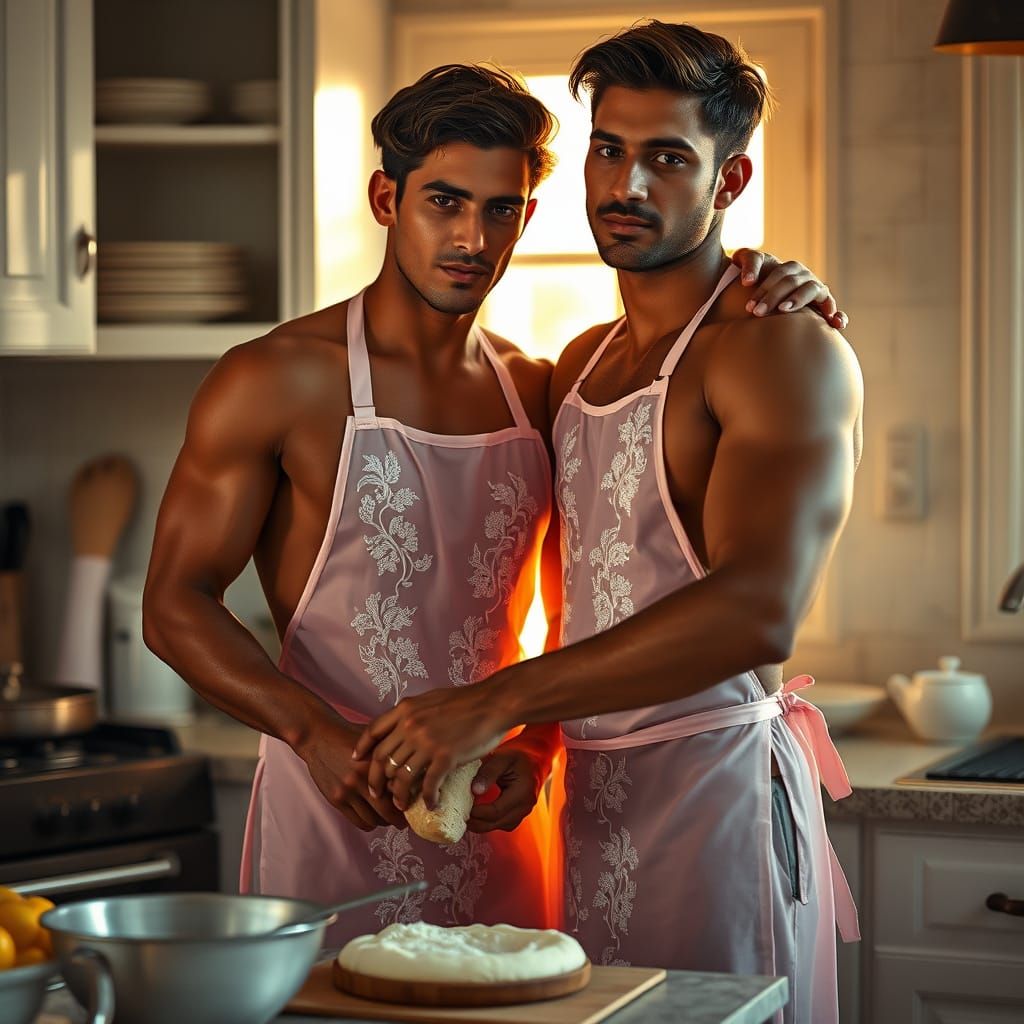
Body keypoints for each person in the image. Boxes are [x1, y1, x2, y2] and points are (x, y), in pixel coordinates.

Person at [144, 62, 842, 947]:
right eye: (444, 202)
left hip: (494, 819)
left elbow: (574, 607)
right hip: (335, 806)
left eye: (500, 209)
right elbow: (172, 604)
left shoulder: (541, 389)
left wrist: (538, 743)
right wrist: (309, 731)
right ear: (386, 199)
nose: (473, 237)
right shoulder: (273, 378)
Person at [353, 24, 863, 1024]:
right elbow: (580, 590)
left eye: (666, 157)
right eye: (608, 148)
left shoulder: (777, 350)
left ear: (729, 179)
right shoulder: (577, 366)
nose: (625, 183)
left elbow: (755, 611)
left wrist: (488, 701)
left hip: (719, 809)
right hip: (589, 819)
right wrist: (538, 739)